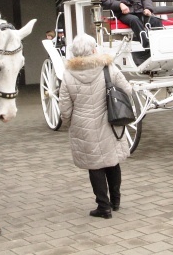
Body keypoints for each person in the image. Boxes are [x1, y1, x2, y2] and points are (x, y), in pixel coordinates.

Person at [59, 33, 131, 219]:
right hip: (110, 121)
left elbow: (65, 108)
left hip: (83, 126)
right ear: (93, 49)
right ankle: (116, 201)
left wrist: (68, 123)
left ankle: (103, 207)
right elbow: (128, 90)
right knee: (112, 161)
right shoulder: (108, 68)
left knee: (95, 166)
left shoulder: (68, 75)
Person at [100, 0, 163, 64]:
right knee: (134, 20)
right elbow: (105, 0)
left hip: (140, 12)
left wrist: (148, 8)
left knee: (155, 20)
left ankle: (160, 45)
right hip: (123, 14)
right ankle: (146, 45)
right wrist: (119, 4)